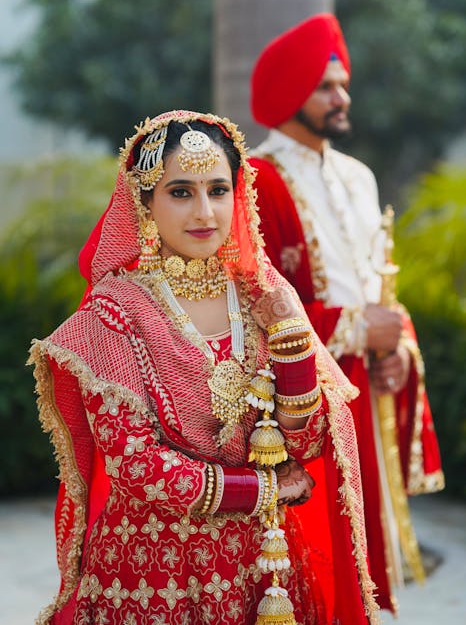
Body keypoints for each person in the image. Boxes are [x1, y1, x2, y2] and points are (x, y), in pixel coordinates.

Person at [29, 109, 379, 625]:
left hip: (267, 571)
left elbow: (305, 444)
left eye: (218, 190)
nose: (205, 212)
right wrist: (262, 489)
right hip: (151, 577)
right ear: (144, 201)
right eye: (180, 192)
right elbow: (136, 466)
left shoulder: (263, 295)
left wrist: (290, 342)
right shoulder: (115, 313)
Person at [248, 15, 445, 613]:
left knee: (370, 553)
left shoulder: (359, 177)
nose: (343, 96)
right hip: (306, 401)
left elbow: (378, 289)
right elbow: (256, 308)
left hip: (368, 391)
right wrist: (358, 328)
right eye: (326, 86)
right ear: (288, 95)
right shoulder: (255, 179)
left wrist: (397, 346)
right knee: (316, 560)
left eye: (343, 83)